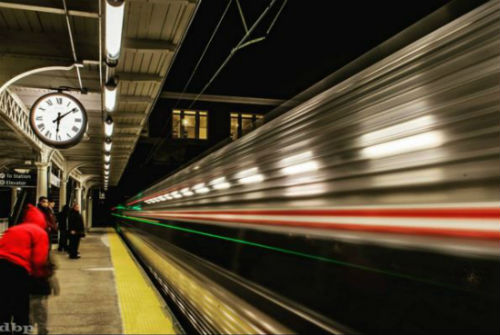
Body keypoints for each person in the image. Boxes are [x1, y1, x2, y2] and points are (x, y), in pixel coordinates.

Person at [0, 204, 49, 334]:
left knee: (3, 307)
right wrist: (39, 279)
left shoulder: (13, 229)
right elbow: (39, 260)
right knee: (20, 309)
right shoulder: (40, 232)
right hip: (18, 270)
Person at [29, 254, 59, 335]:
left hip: (30, 288)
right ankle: (42, 330)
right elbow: (52, 269)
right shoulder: (44, 251)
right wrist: (55, 287)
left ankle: (35, 329)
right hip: (41, 289)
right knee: (41, 315)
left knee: (29, 315)